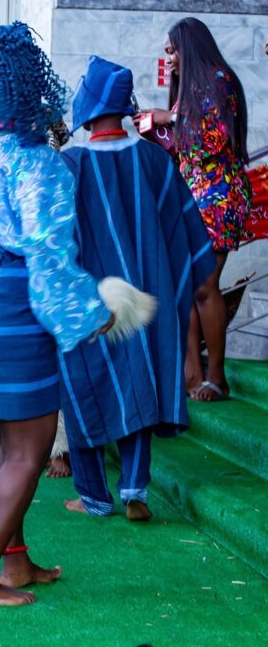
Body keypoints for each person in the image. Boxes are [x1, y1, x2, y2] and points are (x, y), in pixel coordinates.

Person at [0, 22, 152, 607]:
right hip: (10, 307)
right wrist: (91, 316)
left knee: (9, 446)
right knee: (29, 453)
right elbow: (49, 256)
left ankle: (16, 563)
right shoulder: (40, 163)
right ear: (37, 86)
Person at [61, 56, 215, 520]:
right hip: (147, 300)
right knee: (138, 382)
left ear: (88, 105)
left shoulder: (70, 165)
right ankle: (134, 490)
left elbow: (55, 239)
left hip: (89, 301)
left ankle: (93, 495)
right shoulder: (154, 160)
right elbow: (185, 236)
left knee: (82, 386)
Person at [136, 17, 251, 401]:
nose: (168, 58)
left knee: (203, 285)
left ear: (189, 46)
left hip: (219, 196)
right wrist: (156, 132)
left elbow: (213, 140)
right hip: (194, 197)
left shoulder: (219, 80)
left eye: (172, 50)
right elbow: (184, 149)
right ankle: (191, 375)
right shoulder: (188, 90)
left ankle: (216, 378)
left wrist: (169, 117)